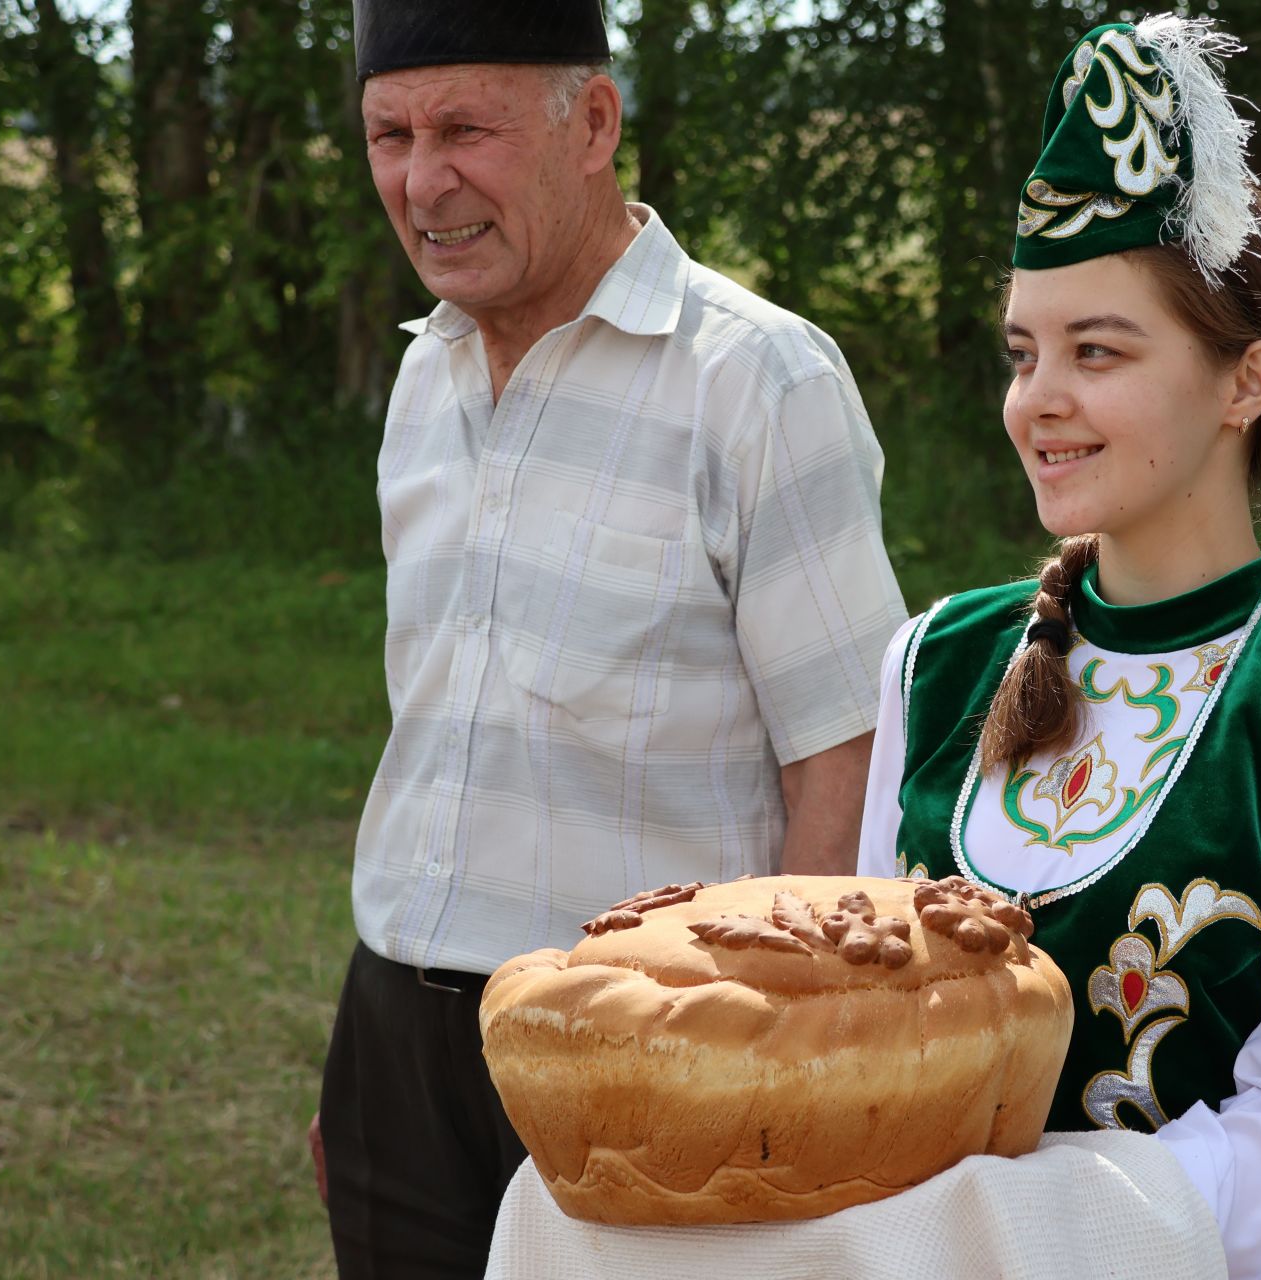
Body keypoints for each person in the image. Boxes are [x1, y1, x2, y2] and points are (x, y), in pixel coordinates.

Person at [853, 15, 1261, 1279]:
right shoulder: (939, 662)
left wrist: (995, 1224)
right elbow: (871, 1043)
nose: (1039, 399)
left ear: (1245, 382)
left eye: (1098, 351)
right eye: (1024, 353)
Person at [310, 0, 909, 1274]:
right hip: (396, 1034)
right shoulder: (424, 374)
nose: (424, 182)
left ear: (593, 122)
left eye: (464, 128)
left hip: (652, 1049)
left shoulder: (760, 381)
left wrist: (776, 1073)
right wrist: (372, 1077)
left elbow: (845, 760)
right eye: (389, 134)